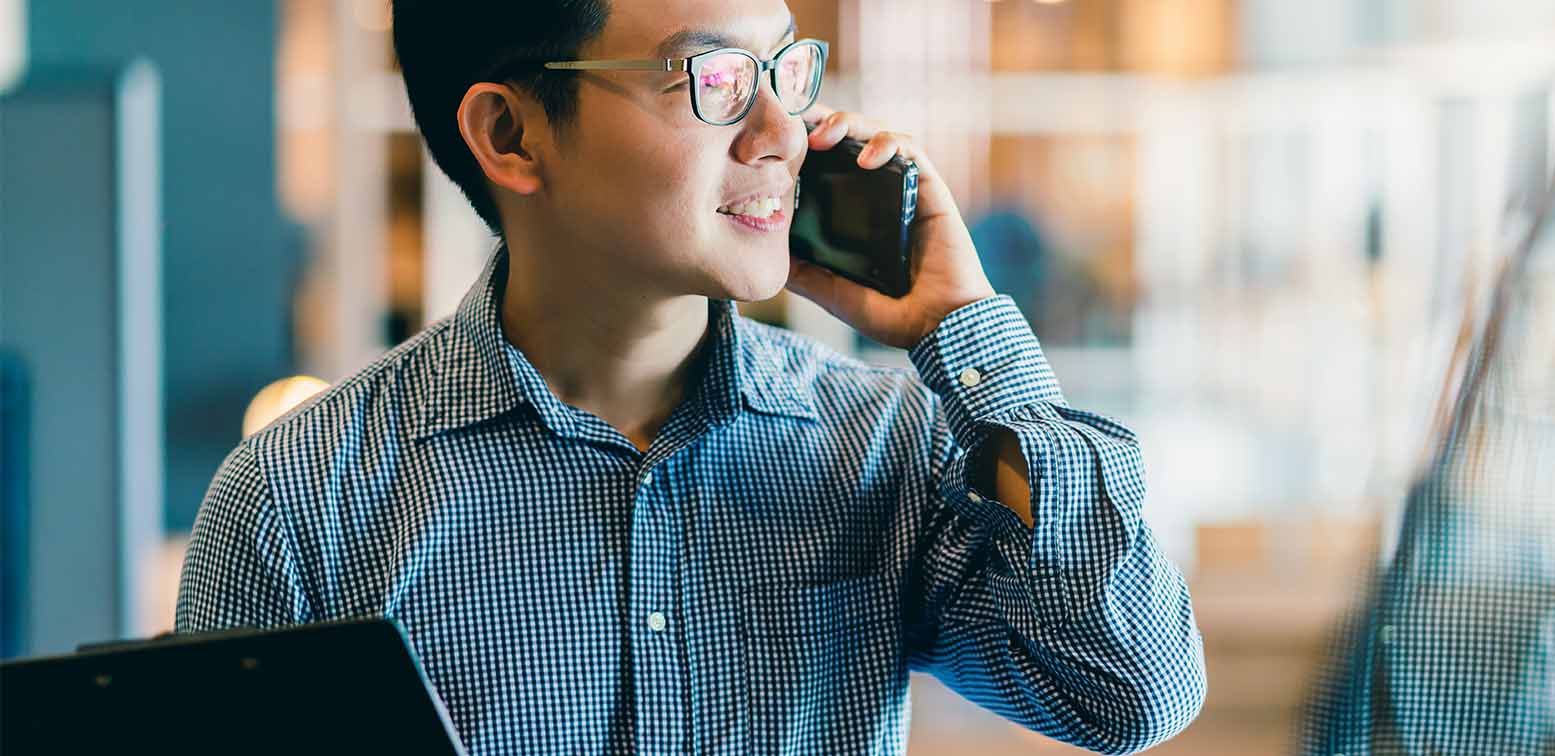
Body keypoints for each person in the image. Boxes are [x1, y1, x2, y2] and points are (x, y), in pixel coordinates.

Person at [173, 1, 1206, 753]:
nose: (780, 136)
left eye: (784, 72)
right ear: (512, 134)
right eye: (711, 80)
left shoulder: (883, 442)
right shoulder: (300, 500)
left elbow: (1135, 693)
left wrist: (969, 337)